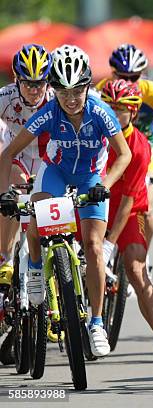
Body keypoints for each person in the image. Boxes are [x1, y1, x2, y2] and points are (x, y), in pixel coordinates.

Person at [0, 45, 132, 356]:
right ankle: (34, 273)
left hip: (90, 178)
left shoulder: (100, 111)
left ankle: (97, 323)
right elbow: (8, 153)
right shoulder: (48, 112)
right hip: (55, 172)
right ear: (54, 89)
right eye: (62, 91)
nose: (70, 99)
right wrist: (5, 192)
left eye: (77, 91)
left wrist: (105, 184)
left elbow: (123, 154)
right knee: (34, 221)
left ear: (88, 85)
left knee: (94, 247)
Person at [99, 79, 153, 363]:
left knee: (135, 268)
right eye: (108, 106)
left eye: (121, 108)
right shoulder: (90, 133)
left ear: (134, 113)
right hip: (92, 206)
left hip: (127, 208)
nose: (113, 112)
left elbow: (126, 201)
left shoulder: (139, 146)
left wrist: (110, 244)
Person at [96, 44, 153, 267]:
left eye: (134, 77)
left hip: (145, 151)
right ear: (112, 73)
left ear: (142, 74)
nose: (128, 82)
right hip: (112, 151)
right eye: (122, 76)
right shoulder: (102, 91)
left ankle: (142, 255)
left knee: (145, 209)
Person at [0, 45, 54, 288]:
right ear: (16, 79)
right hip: (18, 158)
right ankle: (6, 259)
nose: (34, 90)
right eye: (27, 83)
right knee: (11, 196)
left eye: (40, 83)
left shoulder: (57, 99)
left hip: (49, 161)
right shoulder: (5, 97)